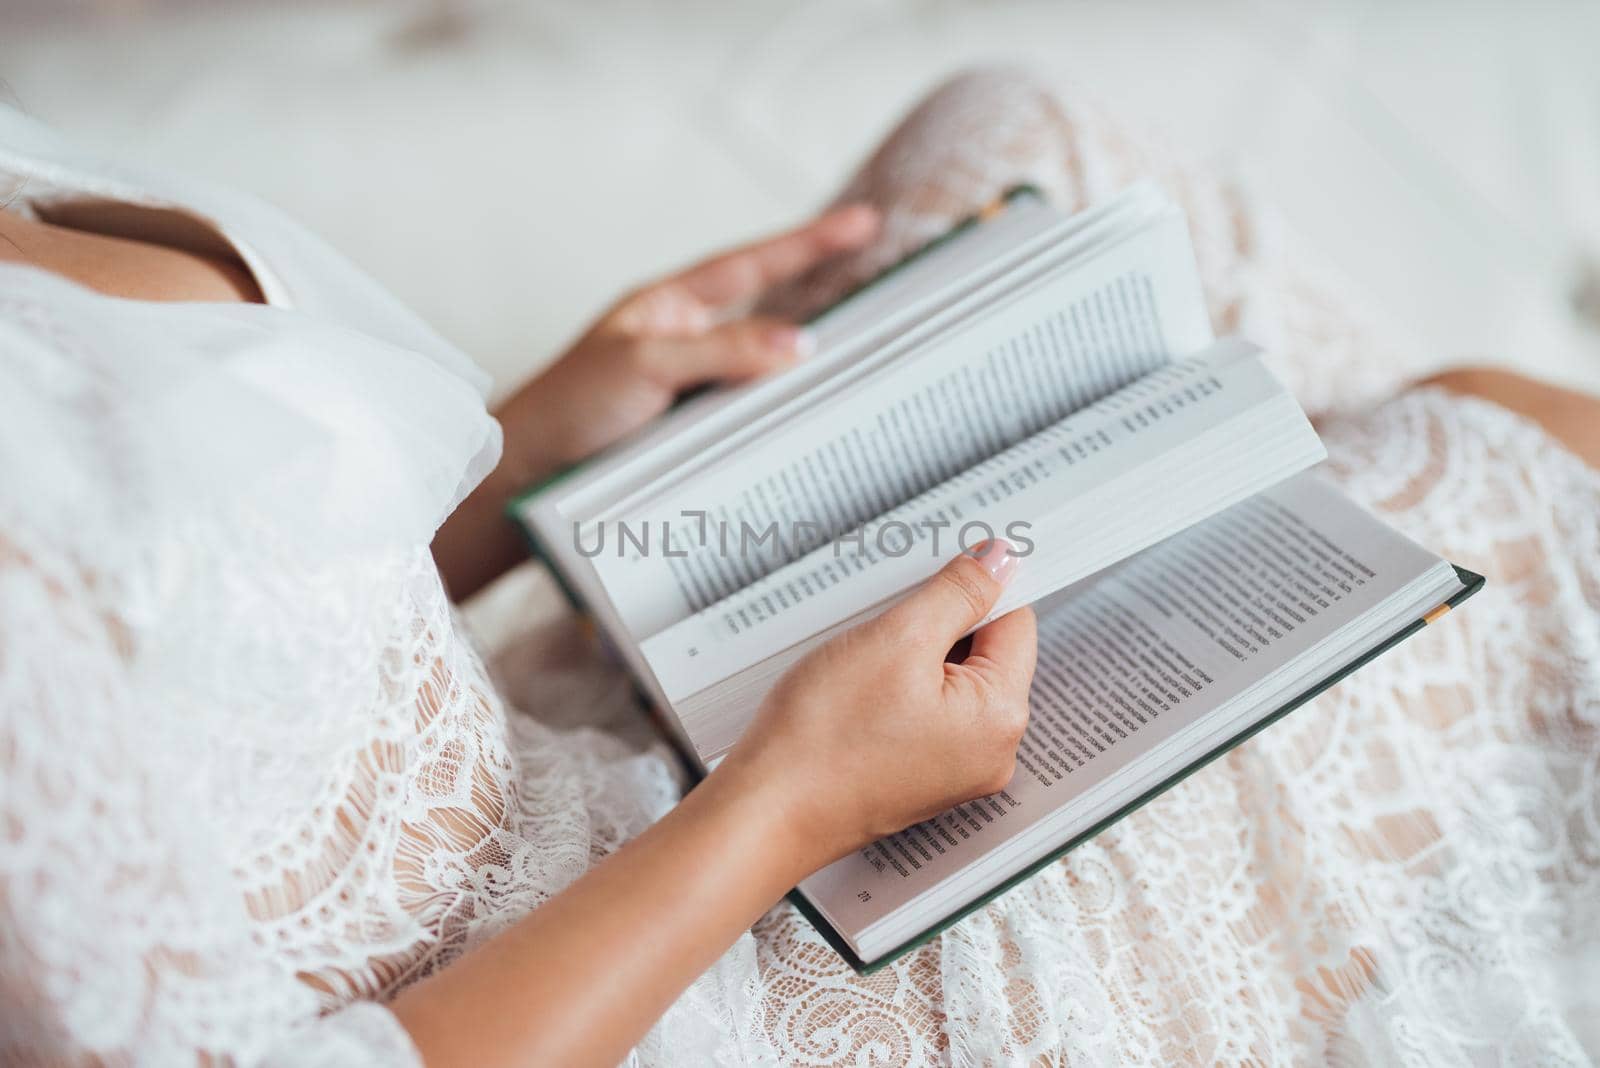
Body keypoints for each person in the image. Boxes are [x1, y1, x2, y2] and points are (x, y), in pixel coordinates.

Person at [1, 70, 1595, 1066]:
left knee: (1034, 137)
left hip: (539, 743)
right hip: (645, 954)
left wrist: (536, 439)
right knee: (1504, 444)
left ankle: (1306, 580)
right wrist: (792, 804)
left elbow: (183, 616)